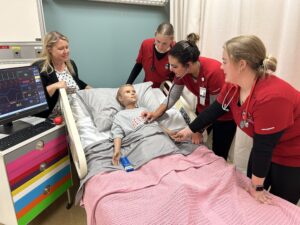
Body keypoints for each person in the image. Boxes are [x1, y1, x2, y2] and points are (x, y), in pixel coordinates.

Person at [174, 35, 300, 205]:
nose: (220, 66)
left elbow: (264, 148)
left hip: (293, 154)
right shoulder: (234, 85)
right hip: (264, 149)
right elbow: (215, 110)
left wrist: (257, 187)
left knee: (280, 205)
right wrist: (189, 130)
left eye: (225, 61)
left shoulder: (271, 97)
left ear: (241, 64)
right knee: (251, 198)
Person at [142, 33, 236, 160]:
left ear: (189, 64)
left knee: (219, 154)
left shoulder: (214, 72)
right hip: (203, 111)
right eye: (170, 65)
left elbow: (215, 110)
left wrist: (197, 130)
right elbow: (172, 96)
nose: (171, 69)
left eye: (175, 66)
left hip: (224, 117)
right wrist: (155, 113)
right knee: (196, 146)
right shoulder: (182, 73)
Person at [32, 31, 92, 118]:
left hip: (75, 112)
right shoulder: (40, 68)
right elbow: (35, 98)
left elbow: (77, 81)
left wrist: (95, 92)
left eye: (67, 47)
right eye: (61, 49)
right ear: (49, 49)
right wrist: (54, 86)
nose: (66, 51)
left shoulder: (70, 64)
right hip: (53, 118)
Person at [111, 84, 173, 165]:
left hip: (157, 137)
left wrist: (169, 132)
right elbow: (117, 134)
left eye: (134, 91)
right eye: (128, 92)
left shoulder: (144, 109)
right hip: (141, 140)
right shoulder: (120, 116)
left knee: (170, 151)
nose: (132, 93)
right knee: (150, 159)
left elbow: (155, 124)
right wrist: (117, 151)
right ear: (120, 98)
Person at [126, 22, 175, 88]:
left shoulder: (176, 50)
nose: (160, 47)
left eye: (164, 43)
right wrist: (128, 84)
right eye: (158, 41)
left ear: (172, 39)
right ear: (155, 34)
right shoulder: (146, 44)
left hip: (165, 88)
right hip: (148, 86)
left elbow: (177, 75)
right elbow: (138, 65)